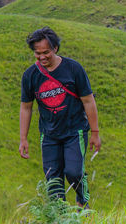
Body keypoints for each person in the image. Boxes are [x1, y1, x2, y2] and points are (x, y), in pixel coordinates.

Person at [19, 27, 101, 208]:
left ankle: (82, 199)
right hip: (49, 135)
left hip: (75, 131)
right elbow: (26, 107)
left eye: (46, 52)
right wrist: (23, 138)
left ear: (55, 48)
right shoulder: (30, 76)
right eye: (37, 53)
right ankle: (59, 219)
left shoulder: (73, 69)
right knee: (53, 180)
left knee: (74, 173)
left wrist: (94, 132)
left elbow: (88, 101)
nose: (42, 57)